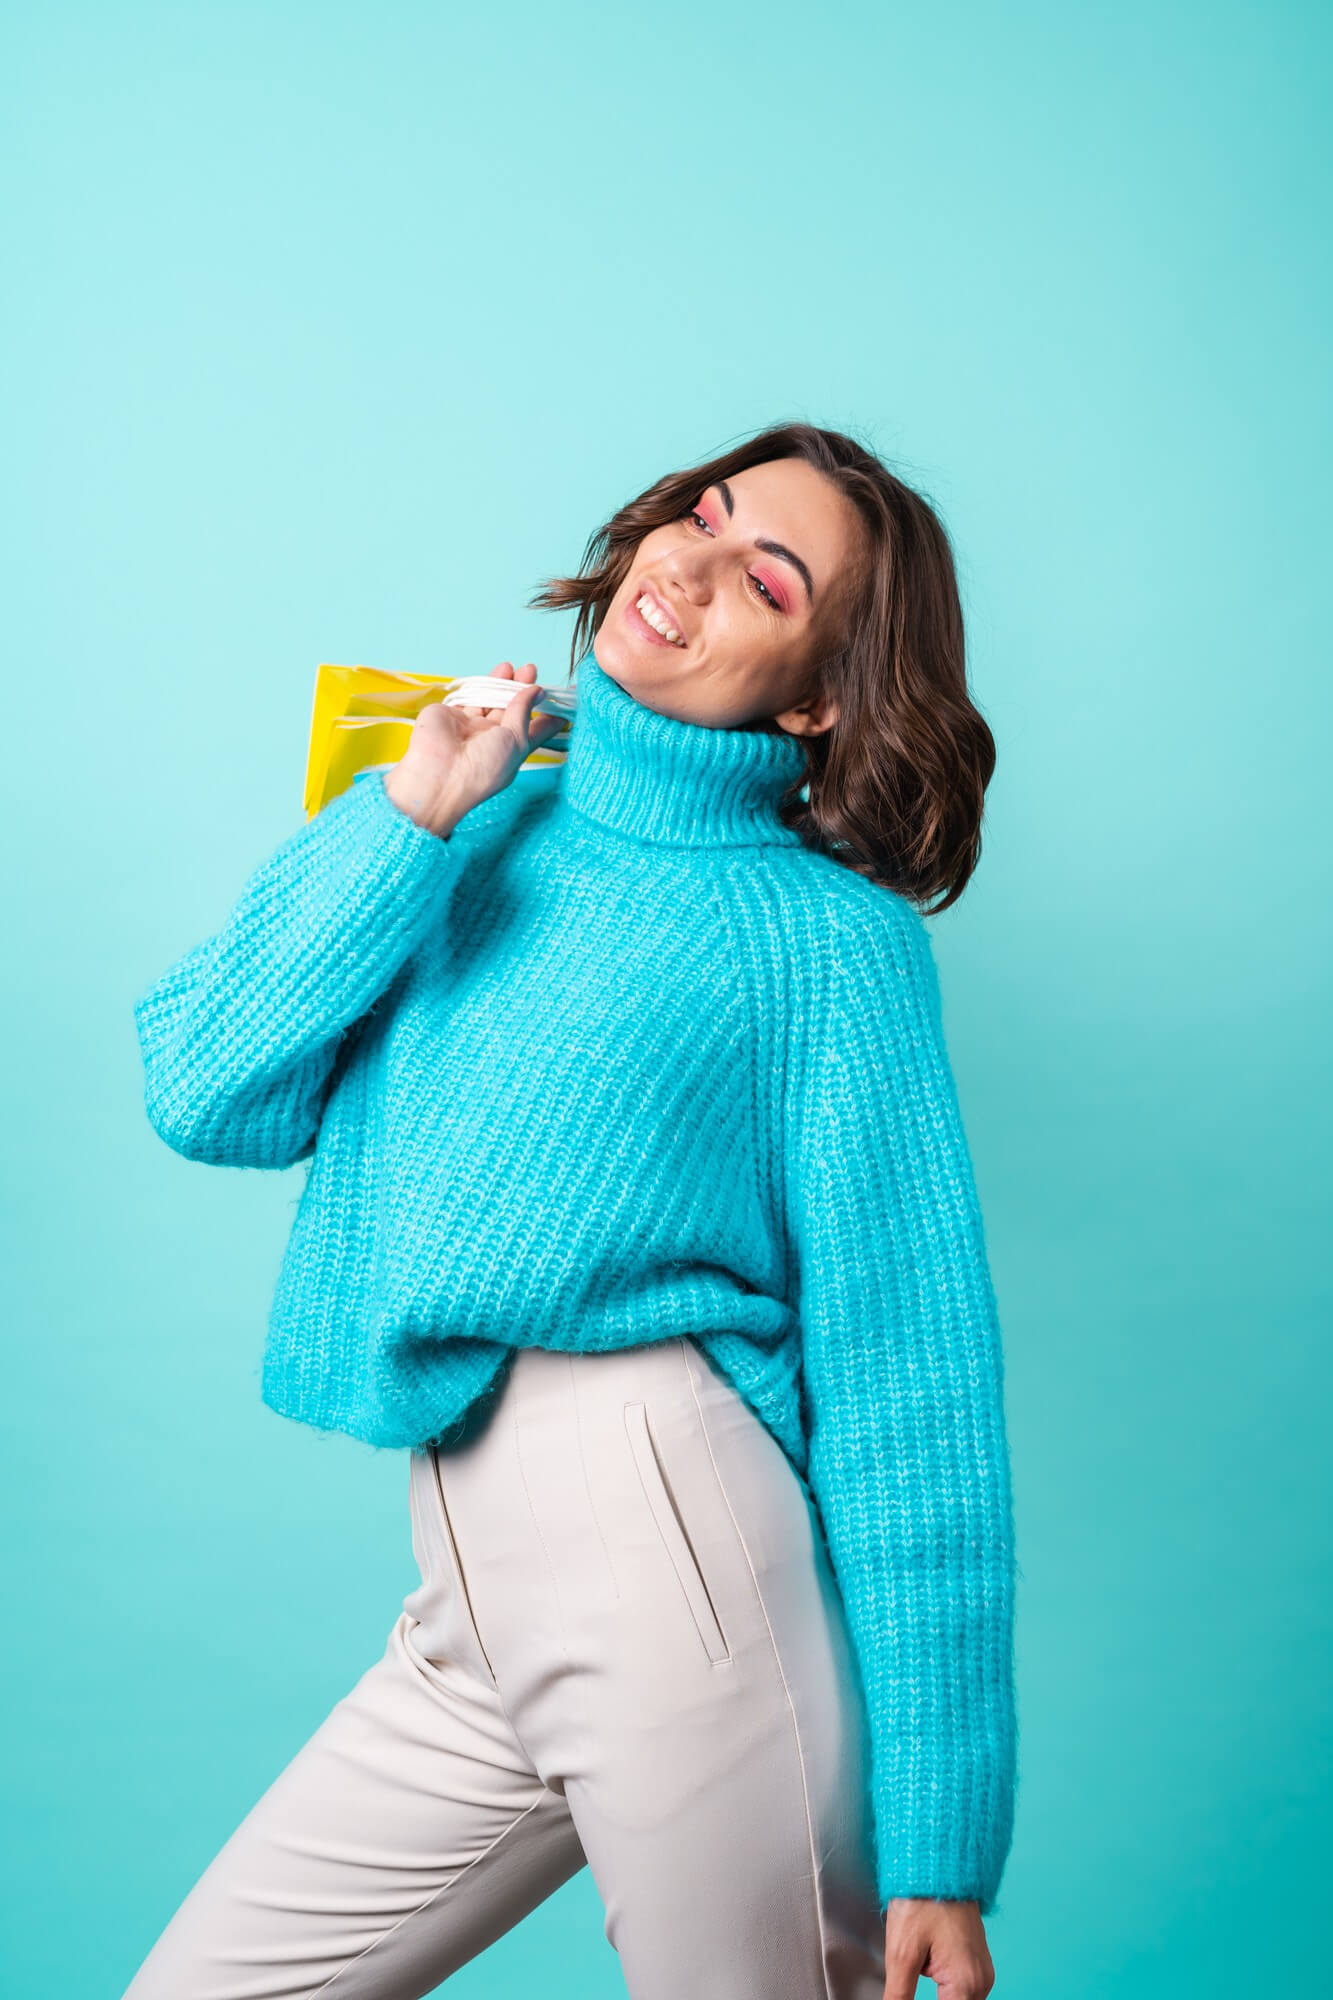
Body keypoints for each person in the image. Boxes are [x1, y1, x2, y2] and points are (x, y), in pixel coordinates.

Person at [123, 421, 1019, 2000]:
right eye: (705, 510)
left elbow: (910, 1387)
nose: (686, 557)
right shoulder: (466, 806)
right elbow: (209, 1092)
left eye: (766, 577)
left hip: (673, 1561)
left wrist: (943, 1835)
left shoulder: (824, 946)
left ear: (817, 694)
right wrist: (411, 822)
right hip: (470, 1605)